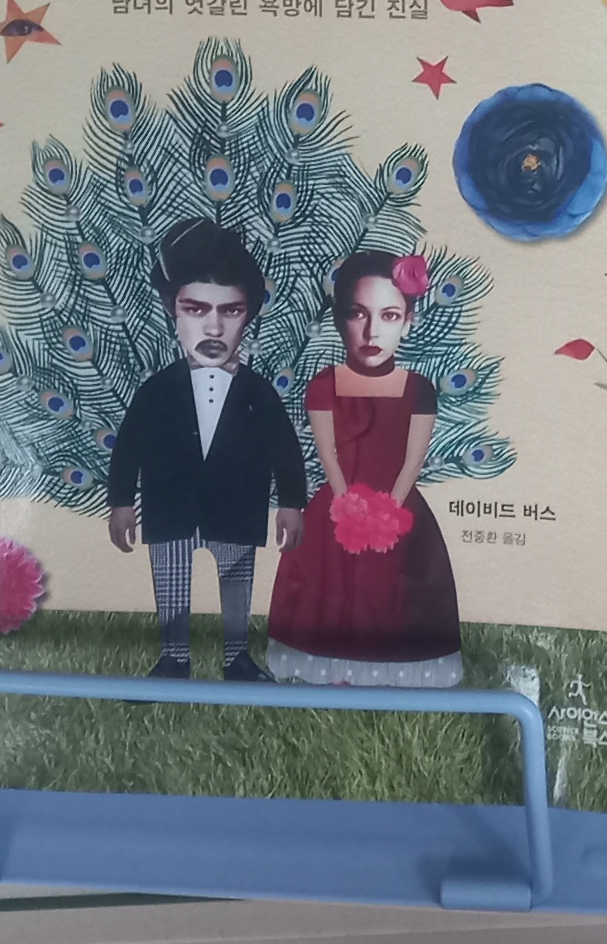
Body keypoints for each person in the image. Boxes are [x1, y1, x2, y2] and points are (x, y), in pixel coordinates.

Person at [101, 220, 303, 680]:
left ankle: (237, 658)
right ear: (172, 311)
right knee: (171, 586)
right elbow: (128, 446)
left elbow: (284, 448)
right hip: (170, 509)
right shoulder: (156, 390)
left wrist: (292, 504)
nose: (213, 326)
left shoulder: (259, 392)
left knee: (236, 587)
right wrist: (121, 502)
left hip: (236, 510)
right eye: (195, 309)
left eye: (231, 311)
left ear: (248, 316)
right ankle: (174, 658)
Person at [261, 251, 463, 689]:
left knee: (393, 590)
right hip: (338, 506)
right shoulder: (322, 384)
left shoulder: (419, 389)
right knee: (331, 591)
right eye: (358, 314)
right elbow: (329, 454)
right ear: (340, 320)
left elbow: (413, 460)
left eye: (389, 315)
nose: (372, 331)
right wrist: (347, 504)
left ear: (408, 321)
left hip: (400, 508)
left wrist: (389, 510)